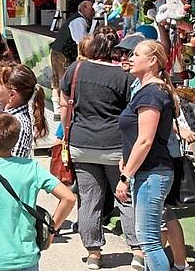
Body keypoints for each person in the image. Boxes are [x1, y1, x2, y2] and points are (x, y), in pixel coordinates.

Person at [59, 29, 140, 268]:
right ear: (115, 50)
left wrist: (66, 133)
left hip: (81, 144)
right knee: (125, 198)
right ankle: (137, 250)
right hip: (115, 145)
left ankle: (93, 252)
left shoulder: (76, 69)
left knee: (89, 198)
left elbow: (65, 104)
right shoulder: (125, 76)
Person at [0, 112, 76, 271]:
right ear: (16, 140)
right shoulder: (31, 167)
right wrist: (51, 229)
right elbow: (69, 198)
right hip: (26, 257)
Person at [116, 40, 179, 271]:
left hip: (152, 174)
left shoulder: (152, 92)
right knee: (148, 237)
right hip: (149, 173)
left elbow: (145, 140)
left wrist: (125, 176)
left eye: (136, 54)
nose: (130, 58)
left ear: (152, 61)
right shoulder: (147, 90)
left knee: (149, 241)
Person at [50, 0, 95, 115]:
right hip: (63, 53)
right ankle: (60, 109)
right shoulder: (79, 20)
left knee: (57, 80)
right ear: (84, 9)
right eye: (91, 9)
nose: (93, 12)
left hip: (58, 51)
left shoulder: (77, 19)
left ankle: (57, 110)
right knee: (62, 80)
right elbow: (80, 41)